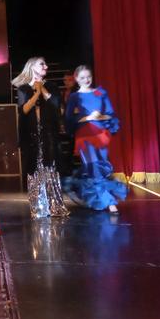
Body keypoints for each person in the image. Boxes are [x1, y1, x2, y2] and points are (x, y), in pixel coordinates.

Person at [62, 66, 127, 212]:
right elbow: (69, 118)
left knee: (101, 166)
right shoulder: (75, 97)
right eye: (82, 77)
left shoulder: (100, 93)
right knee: (94, 166)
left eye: (88, 77)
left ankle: (97, 198)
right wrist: (87, 117)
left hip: (101, 135)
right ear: (76, 79)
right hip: (85, 136)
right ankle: (110, 202)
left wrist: (100, 116)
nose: (86, 80)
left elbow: (111, 114)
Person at [12, 57, 66, 178]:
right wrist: (36, 93)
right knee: (33, 166)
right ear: (32, 67)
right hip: (31, 134)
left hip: (49, 133)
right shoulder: (23, 89)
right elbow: (24, 110)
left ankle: (51, 190)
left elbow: (56, 105)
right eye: (42, 64)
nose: (46, 67)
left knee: (51, 165)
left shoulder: (52, 86)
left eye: (45, 64)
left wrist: (42, 88)